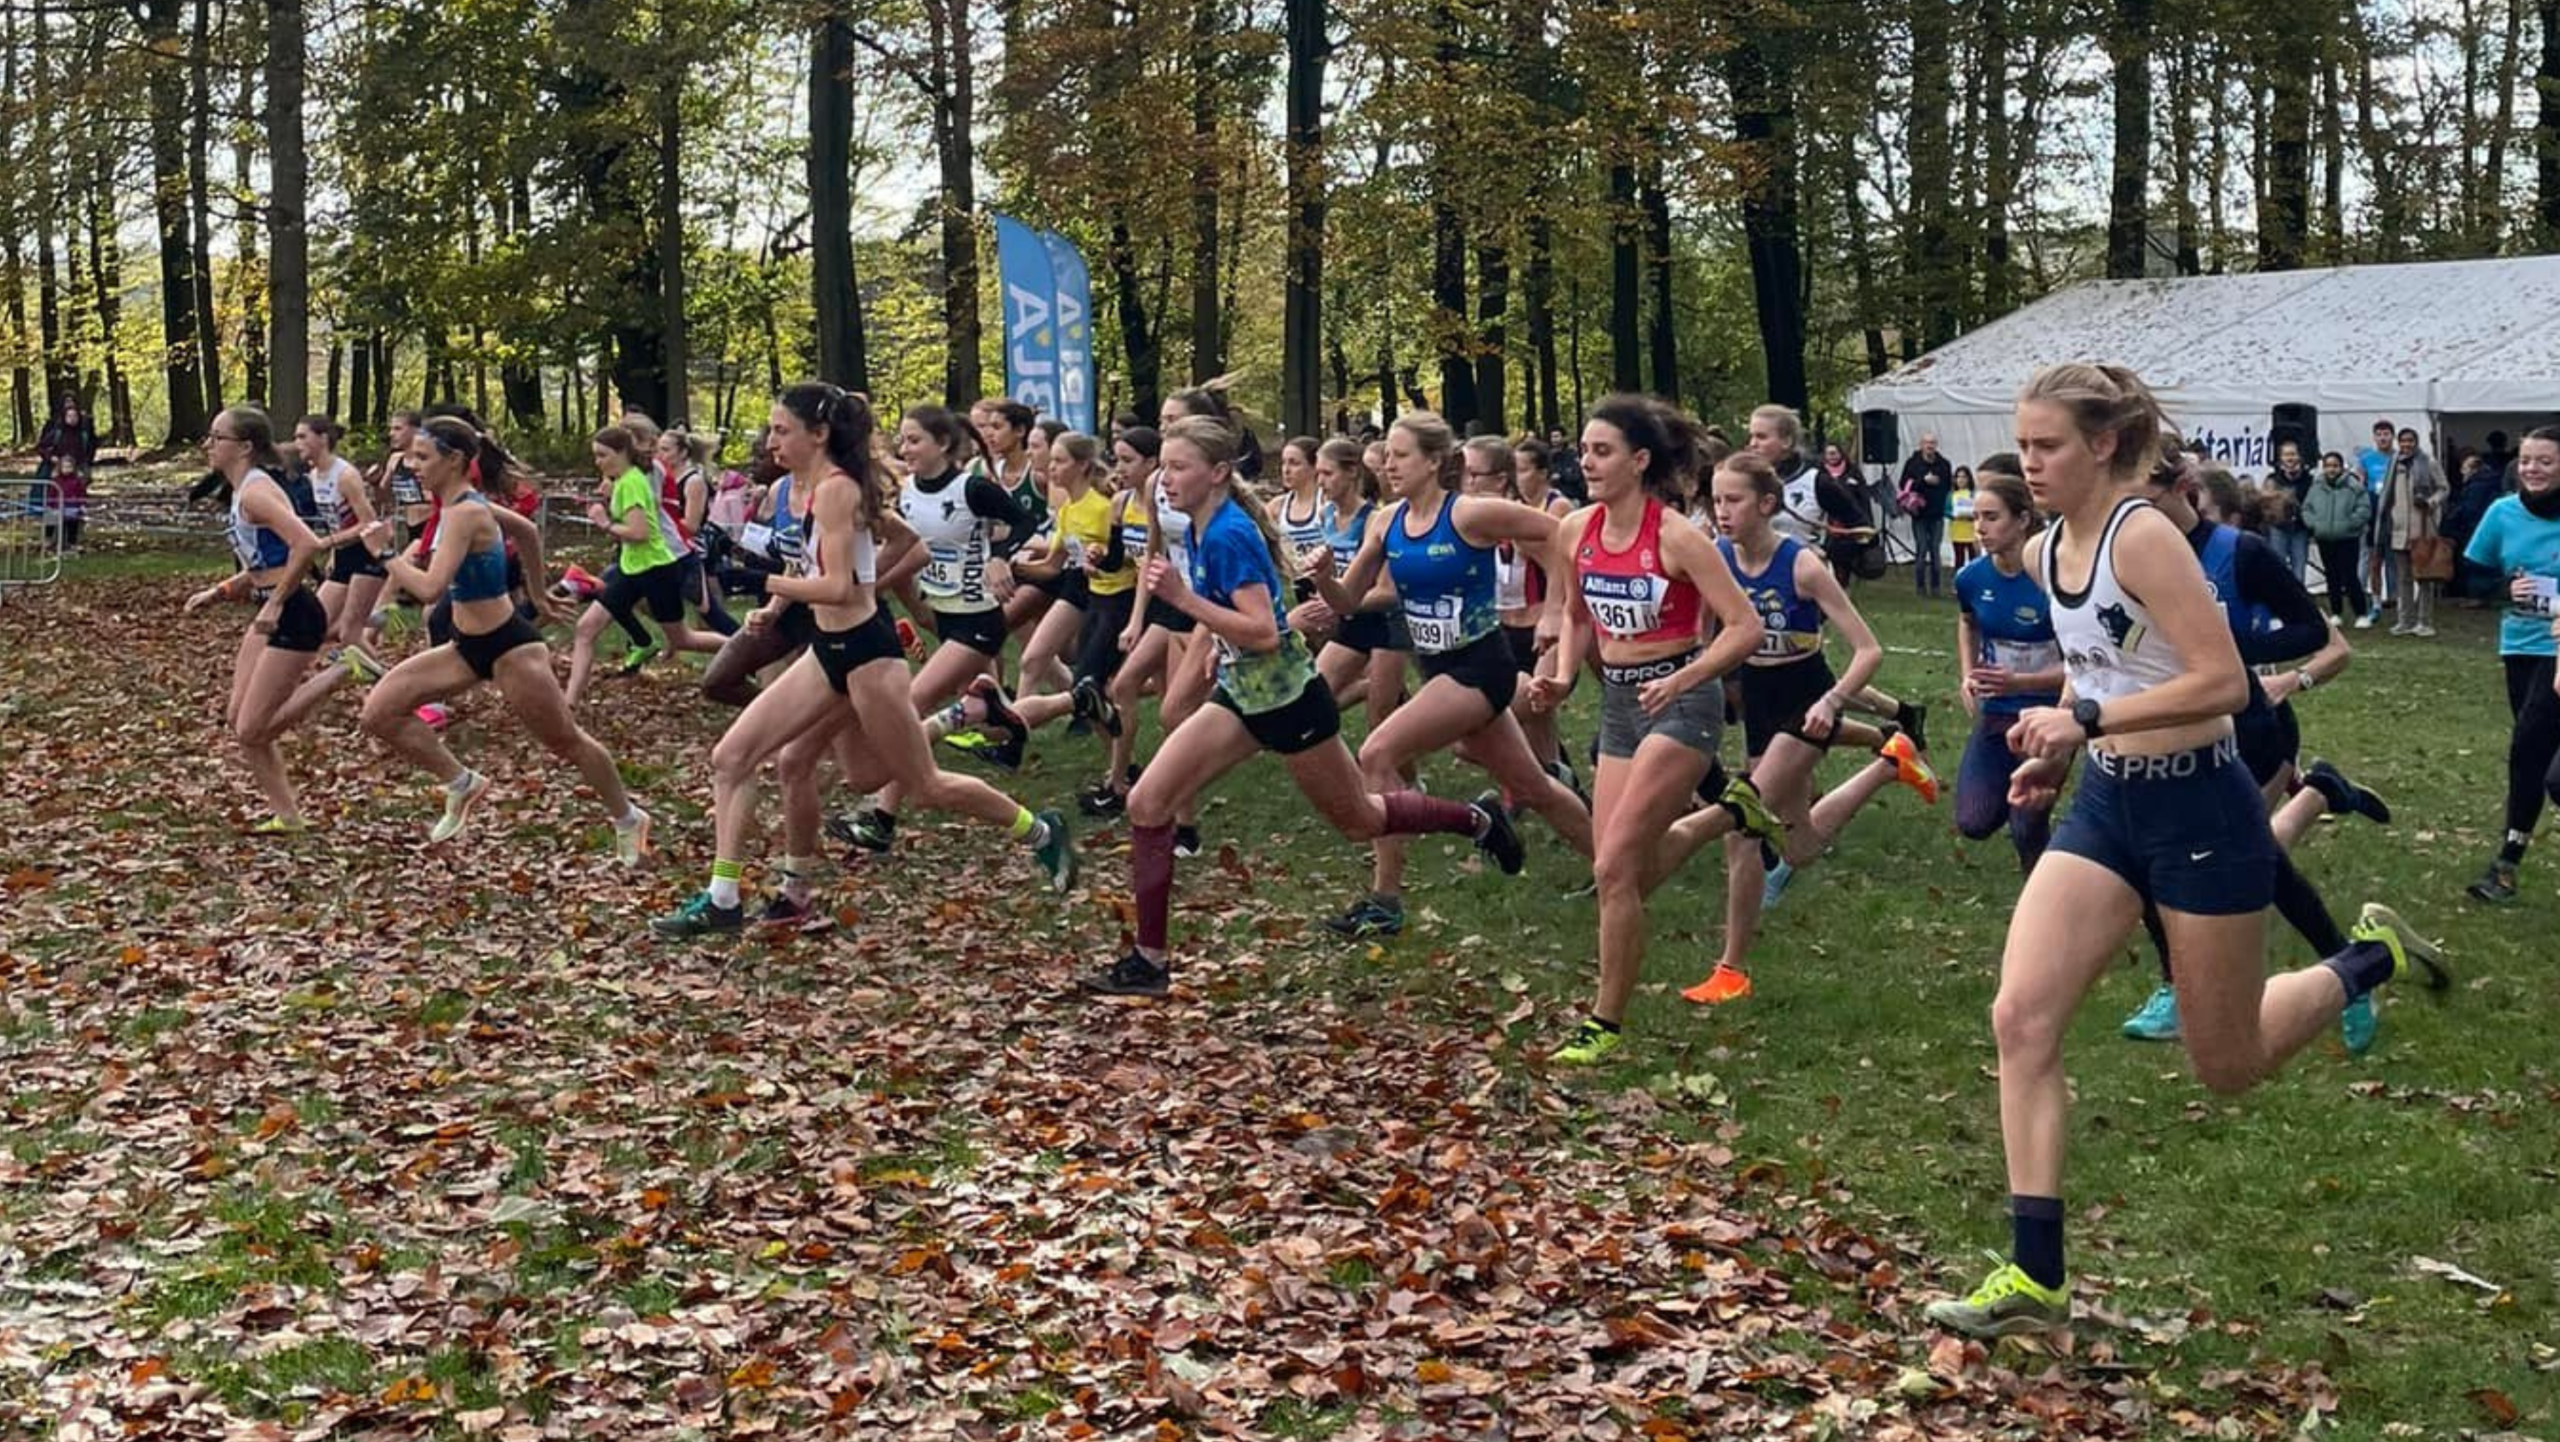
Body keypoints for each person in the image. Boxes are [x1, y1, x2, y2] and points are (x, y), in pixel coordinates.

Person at [1922, 365, 2444, 1341]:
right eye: (2021, 445)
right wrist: (2061, 754)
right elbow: (2101, 664)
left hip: (2202, 806)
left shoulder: (2143, 537)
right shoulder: (2045, 552)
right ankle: (2035, 1272)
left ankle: (2370, 954)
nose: (2027, 463)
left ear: (2105, 445)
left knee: (2228, 1060)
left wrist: (2084, 716)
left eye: (2047, 446)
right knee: (2020, 1018)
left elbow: (2223, 682)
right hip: (2110, 804)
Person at [1083, 417, 1526, 998]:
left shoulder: (1227, 535)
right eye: (1163, 465)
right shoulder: (1198, 525)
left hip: (1291, 701)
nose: (1165, 478)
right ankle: (1150, 959)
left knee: (1359, 821)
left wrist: (1185, 602)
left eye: (1179, 466)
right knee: (1147, 800)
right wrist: (1218, 643)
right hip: (1244, 696)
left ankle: (1476, 818)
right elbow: (1248, 620)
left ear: (1217, 473)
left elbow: (1264, 632)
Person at [654, 384, 1075, 937]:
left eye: (782, 430)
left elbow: (835, 586)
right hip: (828, 652)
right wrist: (778, 598)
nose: (771, 440)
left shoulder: (836, 490)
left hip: (867, 655)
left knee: (912, 783)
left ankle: (1039, 829)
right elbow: (901, 541)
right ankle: (741, 897)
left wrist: (758, 580)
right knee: (744, 758)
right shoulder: (804, 486)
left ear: (819, 434)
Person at [2114, 454, 2395, 1056]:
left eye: (2141, 494)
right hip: (2169, 730)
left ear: (2182, 489)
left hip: (2251, 731)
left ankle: (2345, 974)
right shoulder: (2124, 553)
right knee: (2182, 859)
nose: (2130, 508)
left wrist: (2226, 645)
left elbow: (2314, 634)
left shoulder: (2238, 553)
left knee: (2232, 862)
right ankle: (2188, 986)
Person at [1533, 395, 1771, 1066]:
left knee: (1613, 867)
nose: (1587, 461)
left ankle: (1604, 1022)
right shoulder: (1574, 530)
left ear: (1640, 462)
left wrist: (1688, 678)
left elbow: (1746, 626)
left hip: (1681, 702)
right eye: (1583, 450)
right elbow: (1577, 616)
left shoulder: (1676, 537)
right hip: (1618, 705)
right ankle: (1729, 812)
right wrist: (1560, 675)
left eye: (1602, 451)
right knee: (1622, 875)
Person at [1308, 413, 1595, 940]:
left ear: (1435, 461)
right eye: (1387, 456)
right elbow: (1348, 602)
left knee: (1376, 753)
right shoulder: (1385, 522)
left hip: (1479, 667)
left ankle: (1386, 900)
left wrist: (1556, 609)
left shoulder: (1468, 515)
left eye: (1400, 455)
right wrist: (1324, 578)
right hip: (1437, 665)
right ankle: (1620, 871)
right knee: (1533, 784)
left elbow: (1563, 535)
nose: (1388, 465)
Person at [1681, 450, 1940, 1006]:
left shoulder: (1801, 565)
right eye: (1716, 500)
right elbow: (1707, 633)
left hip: (1806, 701)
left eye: (1733, 500)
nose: (1721, 512)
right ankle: (1889, 763)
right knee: (1797, 847)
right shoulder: (1718, 557)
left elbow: (1869, 650)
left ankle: (1731, 969)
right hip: (1759, 701)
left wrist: (1834, 700)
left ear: (1767, 504)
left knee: (1740, 828)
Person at [354, 417, 653, 861]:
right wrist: (538, 592)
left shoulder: (465, 513)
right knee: (378, 713)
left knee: (565, 740)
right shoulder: (462, 504)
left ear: (454, 461)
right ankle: (461, 783)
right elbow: (528, 532)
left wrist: (382, 553)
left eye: (423, 457)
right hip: (464, 647)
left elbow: (429, 588)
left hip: (509, 646)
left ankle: (629, 818)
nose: (413, 466)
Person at [837, 405, 1038, 850]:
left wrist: (1002, 556)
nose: (904, 450)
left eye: (914, 440)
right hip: (941, 616)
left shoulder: (973, 489)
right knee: (954, 719)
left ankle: (881, 819)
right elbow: (908, 549)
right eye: (902, 440)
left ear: (943, 444)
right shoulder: (906, 492)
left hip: (979, 621)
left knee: (908, 707)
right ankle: (1001, 707)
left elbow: (1026, 520)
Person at [181, 406, 329, 833]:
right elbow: (266, 562)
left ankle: (343, 668)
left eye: (217, 437)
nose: (209, 445)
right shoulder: (245, 490)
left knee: (252, 729)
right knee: (239, 719)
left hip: (294, 612)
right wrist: (221, 591)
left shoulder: (255, 493)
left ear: (244, 446)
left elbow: (307, 544)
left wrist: (275, 604)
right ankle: (288, 817)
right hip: (273, 605)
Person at [2459, 426, 2560, 903]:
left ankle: (2505, 864)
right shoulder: (2502, 513)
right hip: (2521, 645)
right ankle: (2507, 862)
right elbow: (2471, 577)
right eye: (2526, 461)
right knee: (2533, 755)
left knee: (2530, 749)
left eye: (2545, 461)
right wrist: (2504, 590)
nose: (2533, 470)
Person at [1953, 465, 2065, 874]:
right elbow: (1967, 621)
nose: (1980, 529)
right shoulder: (1970, 577)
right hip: (1999, 710)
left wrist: (2024, 680)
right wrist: (1968, 672)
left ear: (2022, 520)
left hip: (2051, 713)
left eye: (1991, 517)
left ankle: (2044, 890)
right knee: (1974, 822)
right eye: (1975, 518)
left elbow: (2083, 666)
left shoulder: (2056, 577)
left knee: (2025, 824)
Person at [564, 425, 725, 706]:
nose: (597, 462)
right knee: (586, 628)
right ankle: (568, 703)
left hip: (656, 569)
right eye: (596, 456)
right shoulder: (624, 480)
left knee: (684, 639)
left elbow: (640, 533)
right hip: (631, 569)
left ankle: (746, 652)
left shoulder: (632, 483)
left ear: (622, 453)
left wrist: (604, 522)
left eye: (603, 455)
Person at [296, 414, 388, 658]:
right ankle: (378, 625)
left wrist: (327, 543)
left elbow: (369, 523)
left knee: (350, 634)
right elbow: (335, 523)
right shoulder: (314, 476)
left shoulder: (345, 475)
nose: (297, 443)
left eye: (303, 436)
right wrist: (334, 553)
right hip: (344, 555)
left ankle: (388, 683)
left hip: (367, 556)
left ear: (323, 439)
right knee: (314, 626)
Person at [2377, 427, 2444, 637]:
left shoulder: (2429, 462)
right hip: (2398, 529)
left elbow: (2444, 488)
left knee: (2424, 577)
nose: (2406, 445)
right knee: (2403, 577)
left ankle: (2425, 621)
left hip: (2422, 528)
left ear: (2416, 442)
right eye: (2403, 441)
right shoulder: (2394, 463)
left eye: (2410, 441)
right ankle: (2404, 620)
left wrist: (2431, 502)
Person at [2301, 452, 2372, 623]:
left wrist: (2350, 523)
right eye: (2328, 466)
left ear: (2342, 467)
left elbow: (2364, 509)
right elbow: (2306, 509)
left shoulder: (2353, 486)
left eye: (2335, 466)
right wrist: (2314, 525)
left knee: (2350, 576)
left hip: (2348, 538)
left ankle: (2361, 613)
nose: (2331, 469)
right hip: (2325, 538)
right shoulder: (2316, 487)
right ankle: (2336, 613)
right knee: (2331, 576)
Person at [1898, 431, 1955, 596]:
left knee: (1935, 551)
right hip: (1919, 515)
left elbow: (1947, 486)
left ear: (1936, 445)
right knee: (1921, 550)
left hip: (1936, 514)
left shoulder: (1944, 464)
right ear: (1921, 445)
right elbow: (1904, 485)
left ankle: (1936, 587)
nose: (1930, 446)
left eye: (1932, 443)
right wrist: (1923, 481)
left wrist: (1937, 483)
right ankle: (1920, 587)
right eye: (1927, 443)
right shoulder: (1912, 463)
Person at [2356, 419, 2395, 625]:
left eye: (2386, 434)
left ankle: (2394, 598)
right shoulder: (2366, 458)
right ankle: (2370, 597)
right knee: (2373, 558)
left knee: (2394, 558)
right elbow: (2359, 484)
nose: (2383, 438)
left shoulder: (2399, 457)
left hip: (2394, 512)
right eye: (2379, 434)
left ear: (2392, 436)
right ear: (2374, 437)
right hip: (2373, 512)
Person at [2265, 440, 2314, 579]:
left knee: (2299, 568)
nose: (2290, 458)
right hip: (2278, 528)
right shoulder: (2273, 480)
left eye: (2293, 454)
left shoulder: (2309, 480)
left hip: (2300, 529)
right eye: (2286, 455)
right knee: (2278, 568)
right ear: (2281, 458)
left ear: (2299, 457)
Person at [1946, 465, 1979, 570]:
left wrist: (1974, 515)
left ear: (1969, 479)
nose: (1961, 480)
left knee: (1973, 559)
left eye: (1964, 477)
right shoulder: (1951, 494)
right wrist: (1953, 515)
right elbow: (1946, 510)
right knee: (1959, 558)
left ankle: (1974, 582)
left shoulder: (1974, 494)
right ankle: (1959, 581)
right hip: (1957, 531)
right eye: (1958, 477)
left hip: (1971, 531)